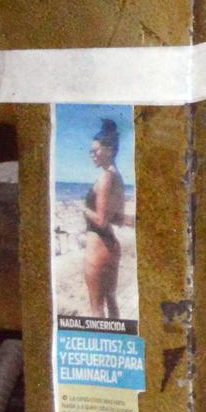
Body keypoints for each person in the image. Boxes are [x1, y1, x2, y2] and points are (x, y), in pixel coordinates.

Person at [82, 117, 125, 322]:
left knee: (96, 309)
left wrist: (83, 208)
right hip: (111, 246)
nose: (92, 155)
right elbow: (114, 217)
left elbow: (100, 221)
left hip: (97, 247)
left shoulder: (105, 178)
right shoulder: (117, 177)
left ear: (108, 150)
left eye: (95, 150)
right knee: (111, 300)